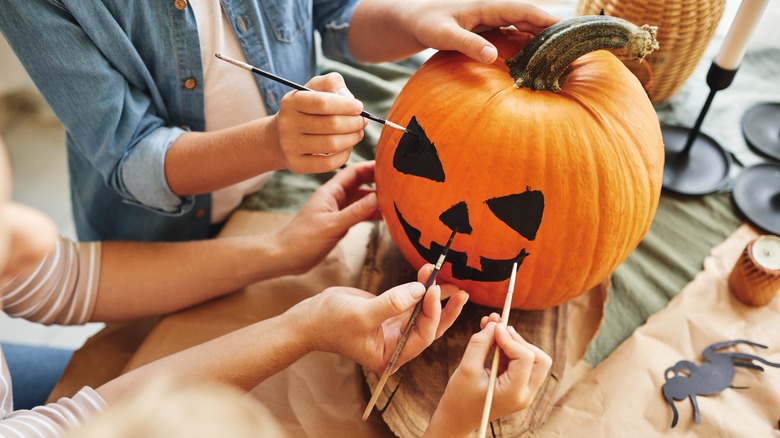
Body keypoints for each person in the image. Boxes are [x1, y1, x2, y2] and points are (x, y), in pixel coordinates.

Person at [0, 135, 552, 436]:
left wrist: (281, 252)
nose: (35, 233)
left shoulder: (21, 244)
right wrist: (455, 429)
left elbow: (61, 278)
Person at [0, 1, 559, 242]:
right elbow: (131, 156)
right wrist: (272, 142)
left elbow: (335, 16)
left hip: (279, 186)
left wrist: (416, 21)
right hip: (160, 238)